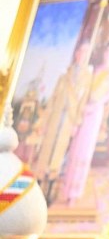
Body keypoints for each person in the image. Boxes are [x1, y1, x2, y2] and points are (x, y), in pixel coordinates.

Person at [62, 40, 109, 204]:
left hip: (95, 113)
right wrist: (82, 106)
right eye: (107, 50)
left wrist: (93, 106)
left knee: (84, 151)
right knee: (75, 149)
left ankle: (75, 191)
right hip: (83, 111)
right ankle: (66, 187)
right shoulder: (95, 70)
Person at [31, 40, 93, 203]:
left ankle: (49, 190)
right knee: (46, 149)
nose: (81, 55)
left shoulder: (87, 78)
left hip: (68, 121)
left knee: (58, 153)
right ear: (76, 53)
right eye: (80, 51)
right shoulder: (64, 76)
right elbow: (53, 100)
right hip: (56, 117)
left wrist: (76, 123)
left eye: (85, 52)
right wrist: (44, 122)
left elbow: (82, 102)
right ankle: (38, 186)